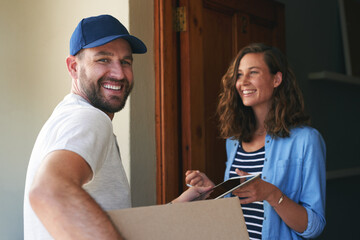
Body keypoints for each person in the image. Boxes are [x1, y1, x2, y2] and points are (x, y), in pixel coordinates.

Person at [23, 14, 209, 240]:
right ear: (73, 67)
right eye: (103, 59)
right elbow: (48, 192)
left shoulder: (68, 116)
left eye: (125, 61)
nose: (119, 73)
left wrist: (177, 206)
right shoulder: (89, 119)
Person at [185, 43, 326, 239]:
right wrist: (214, 191)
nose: (243, 82)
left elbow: (314, 226)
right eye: (240, 75)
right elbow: (236, 211)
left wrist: (270, 193)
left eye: (253, 73)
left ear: (276, 79)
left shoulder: (306, 140)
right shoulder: (234, 141)